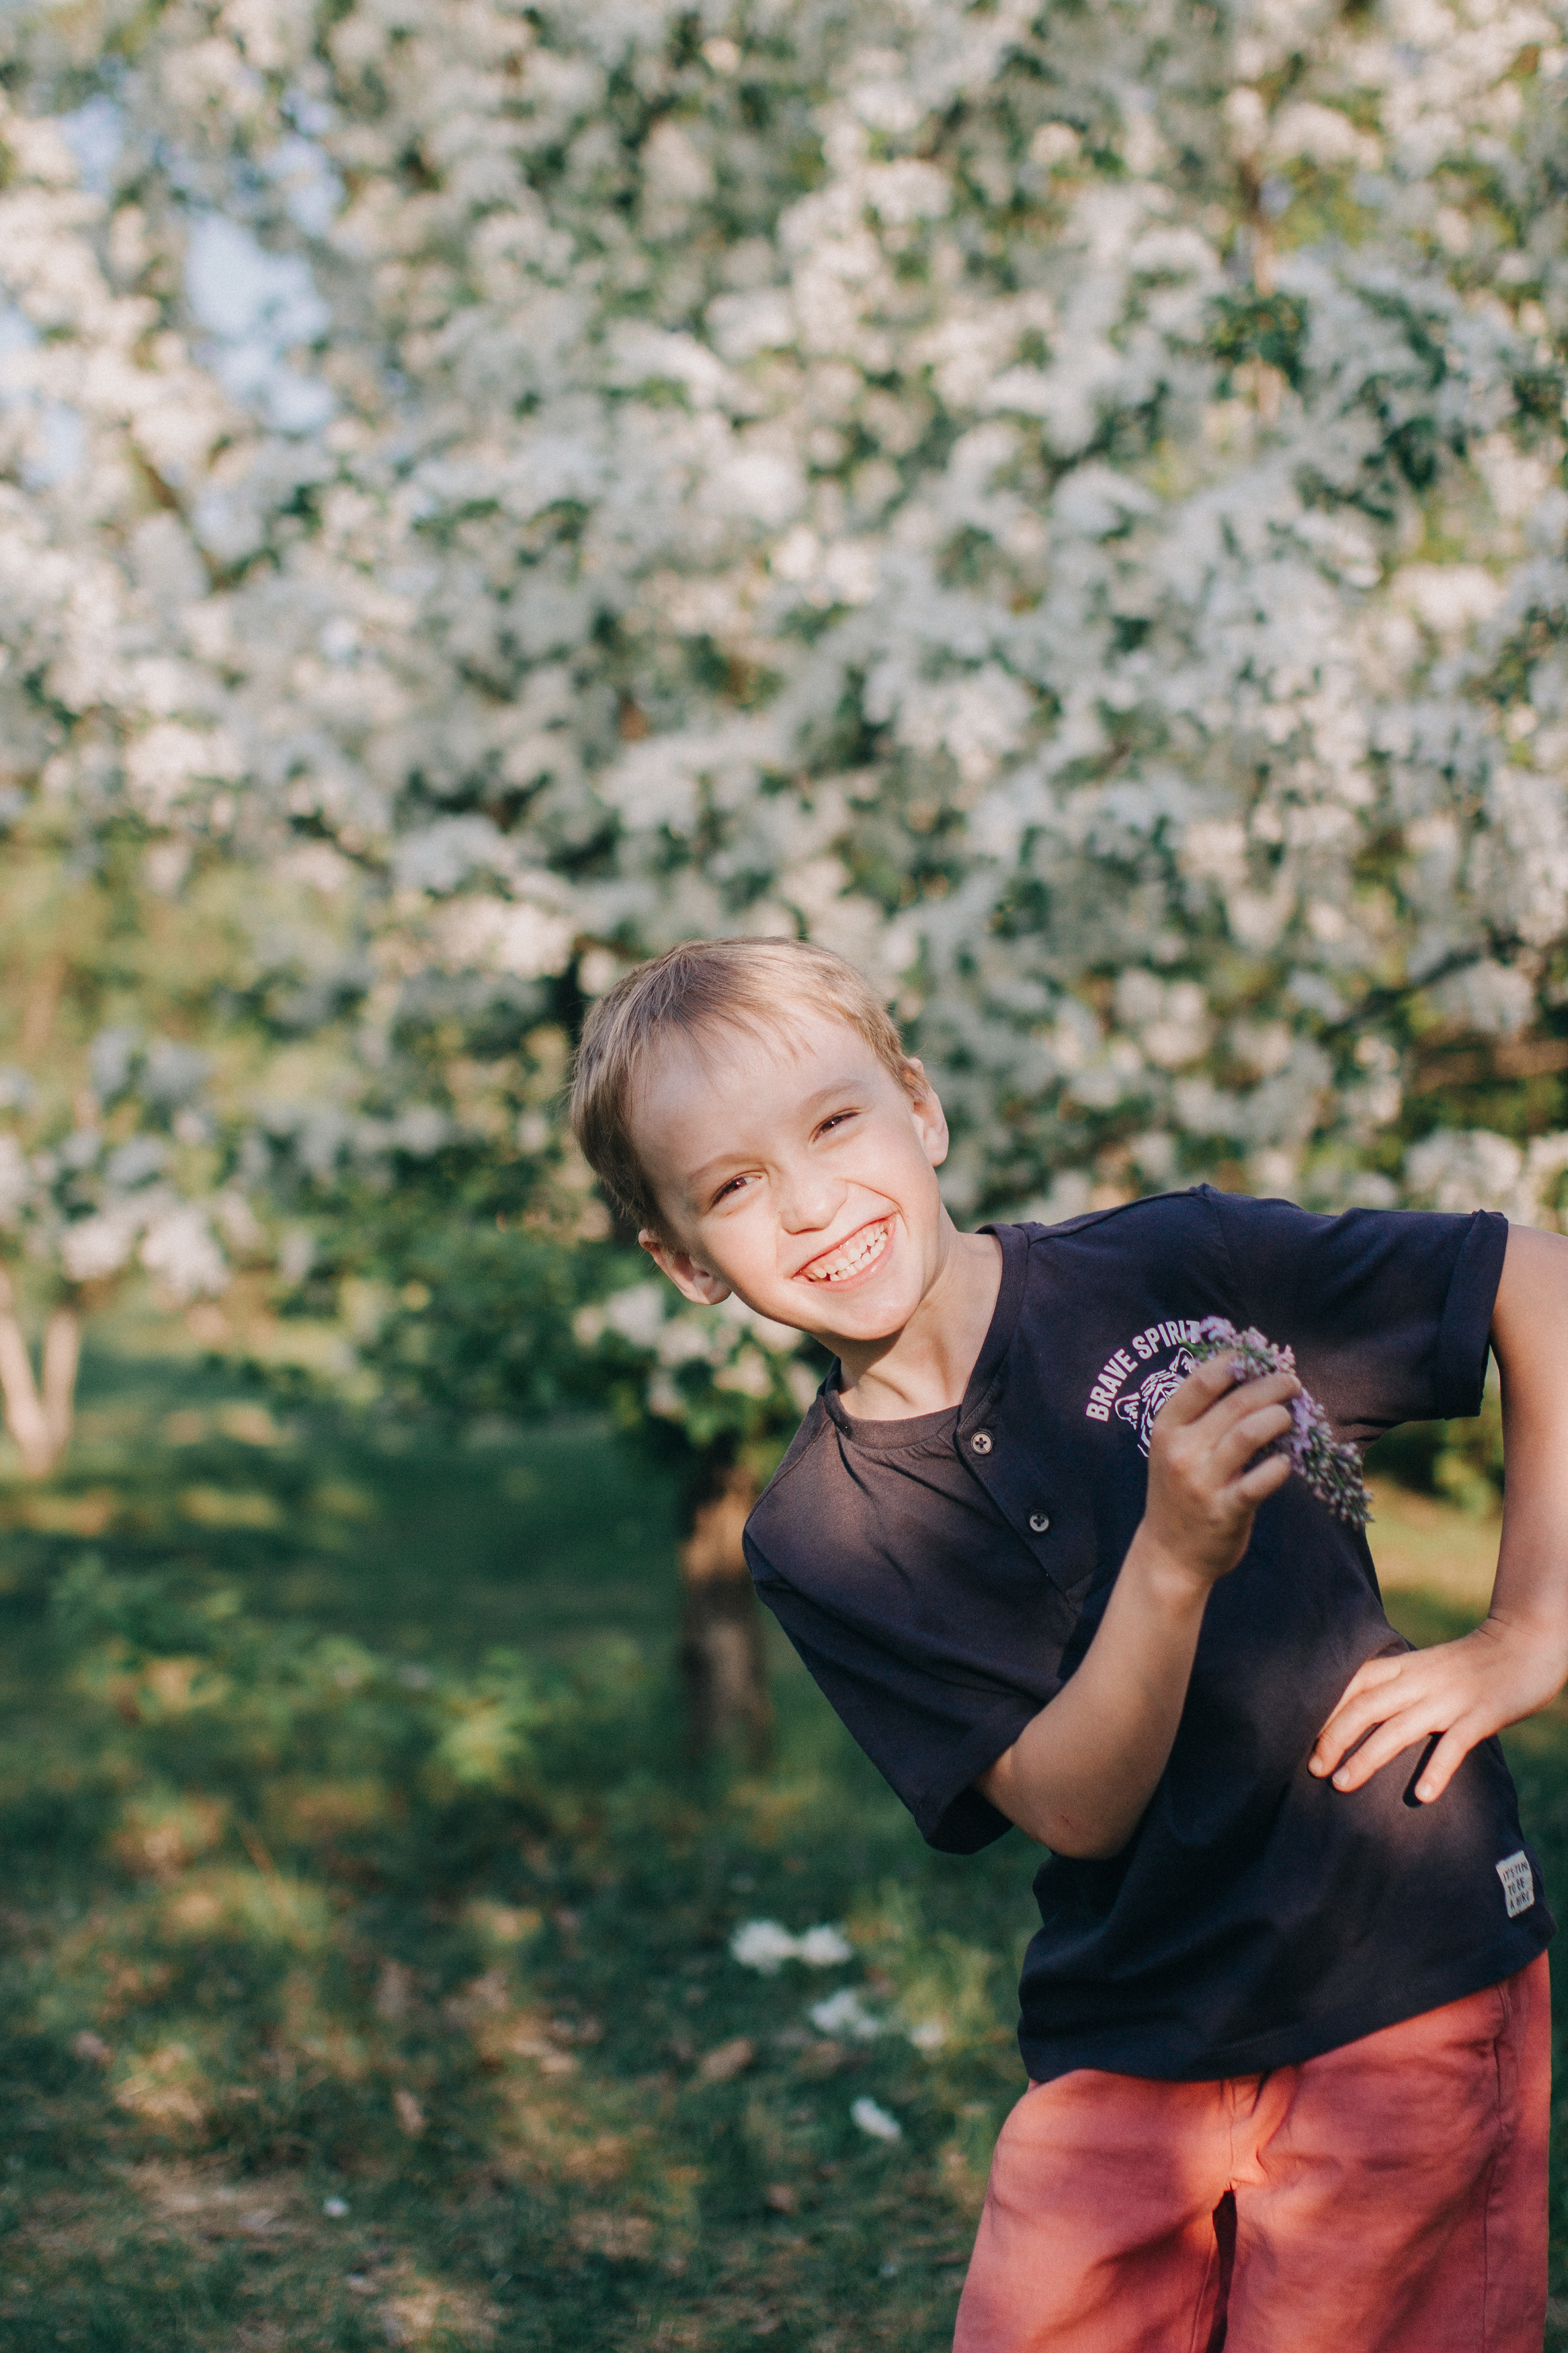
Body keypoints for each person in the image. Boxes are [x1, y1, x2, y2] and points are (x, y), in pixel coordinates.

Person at [569, 933, 1568, 2353]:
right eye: (733, 1187)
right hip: (1133, 2026)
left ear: (920, 1107)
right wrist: (1171, 1559)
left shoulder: (1172, 1262)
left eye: (834, 1122)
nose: (807, 1203)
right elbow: (1075, 1805)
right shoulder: (822, 1528)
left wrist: (1535, 1626)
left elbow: (1543, 1282)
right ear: (684, 1260)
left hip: (1400, 1971)